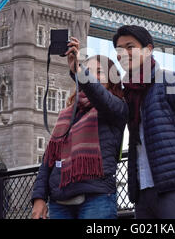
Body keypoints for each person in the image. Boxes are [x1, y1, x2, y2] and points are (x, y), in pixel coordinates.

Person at [112, 25, 175, 219]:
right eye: (119, 50)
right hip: (141, 190)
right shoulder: (127, 94)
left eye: (130, 46)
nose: (124, 53)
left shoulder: (173, 81)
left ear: (148, 50)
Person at [31, 37, 128, 219]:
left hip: (97, 197)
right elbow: (49, 160)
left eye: (99, 72)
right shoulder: (68, 114)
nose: (93, 75)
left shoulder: (117, 107)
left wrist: (79, 70)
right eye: (89, 71)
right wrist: (39, 198)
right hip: (59, 201)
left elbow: (100, 97)